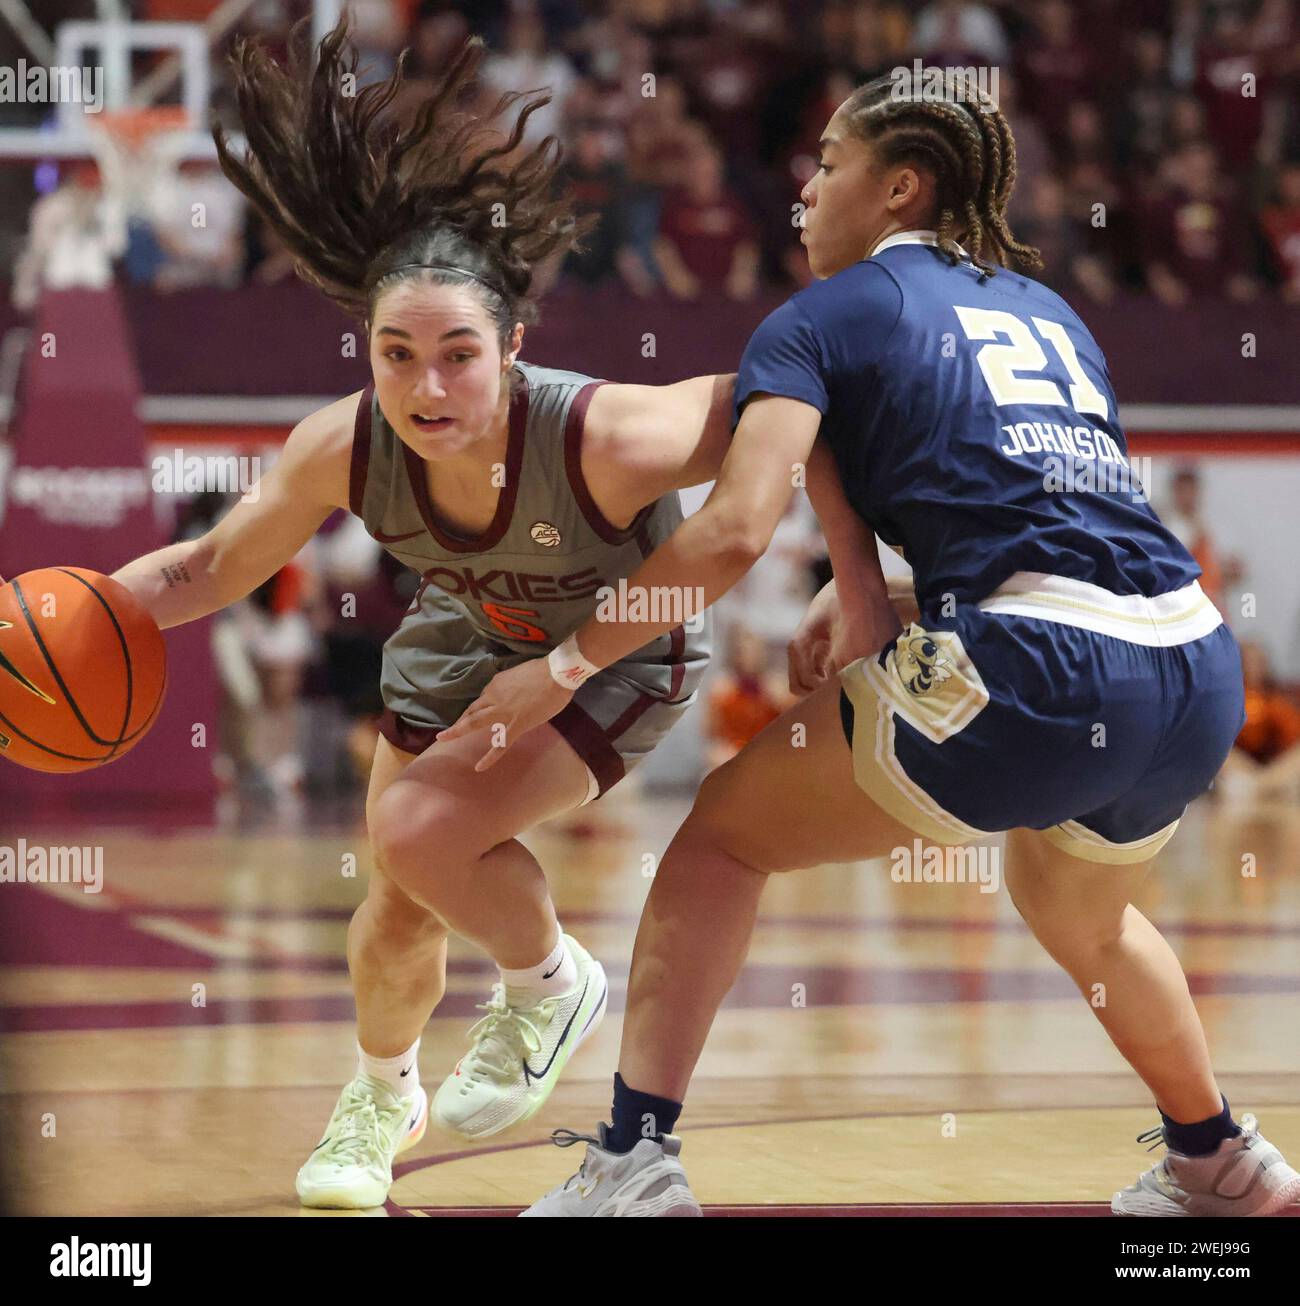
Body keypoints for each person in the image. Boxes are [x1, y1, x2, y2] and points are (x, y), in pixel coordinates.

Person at [446, 73, 1300, 1218]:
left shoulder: (818, 316)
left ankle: (630, 1164)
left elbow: (735, 528)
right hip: (1191, 664)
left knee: (716, 844)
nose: (803, 188)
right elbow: (1056, 517)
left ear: (899, 186)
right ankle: (1217, 1158)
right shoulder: (1048, 309)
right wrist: (877, 579)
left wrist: (557, 668)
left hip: (1034, 669)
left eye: (829, 161)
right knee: (1080, 907)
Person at [98, 18, 856, 1211]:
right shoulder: (339, 446)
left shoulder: (606, 436)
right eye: (397, 354)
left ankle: (551, 982)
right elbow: (202, 569)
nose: (426, 385)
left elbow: (800, 393)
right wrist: (82, 612)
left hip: (615, 653)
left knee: (413, 831)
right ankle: (382, 1090)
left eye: (458, 354)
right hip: (463, 642)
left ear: (513, 345)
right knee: (398, 890)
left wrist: (868, 572)